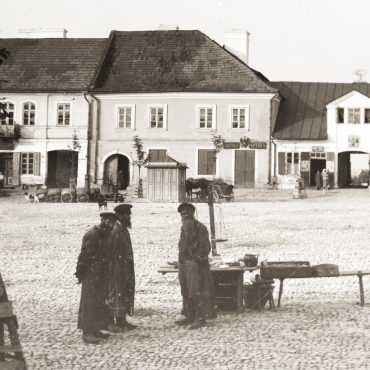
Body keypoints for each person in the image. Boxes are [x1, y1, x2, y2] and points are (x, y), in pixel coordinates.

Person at [75, 212, 116, 344]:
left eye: (112, 222)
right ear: (102, 220)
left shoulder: (104, 234)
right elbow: (84, 255)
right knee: (89, 303)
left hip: (101, 274)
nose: (111, 224)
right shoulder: (92, 234)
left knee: (99, 302)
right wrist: (80, 273)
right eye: (108, 221)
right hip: (91, 274)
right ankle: (87, 332)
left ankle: (96, 328)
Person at [175, 202, 216, 330]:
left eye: (187, 214)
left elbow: (206, 248)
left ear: (193, 214)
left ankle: (200, 317)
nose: (185, 217)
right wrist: (181, 259)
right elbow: (181, 245)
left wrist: (196, 259)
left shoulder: (201, 228)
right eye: (183, 215)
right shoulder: (184, 228)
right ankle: (189, 315)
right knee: (185, 290)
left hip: (196, 266)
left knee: (196, 290)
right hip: (184, 265)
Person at [106, 203, 137, 332]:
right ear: (119, 215)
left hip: (124, 267)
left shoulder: (123, 228)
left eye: (129, 214)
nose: (128, 216)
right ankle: (110, 322)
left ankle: (121, 320)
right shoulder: (115, 229)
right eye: (126, 214)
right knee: (115, 293)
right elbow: (110, 249)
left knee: (124, 292)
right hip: (116, 268)